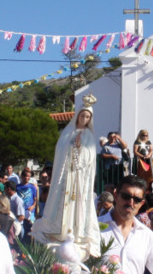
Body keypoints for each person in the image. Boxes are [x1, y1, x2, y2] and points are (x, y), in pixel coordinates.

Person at [31, 94, 102, 260]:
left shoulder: (89, 136)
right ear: (77, 115)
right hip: (66, 177)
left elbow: (90, 158)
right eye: (82, 115)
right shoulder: (67, 133)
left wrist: (80, 149)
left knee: (78, 204)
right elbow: (61, 153)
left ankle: (77, 232)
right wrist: (72, 148)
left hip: (79, 178)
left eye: (88, 117)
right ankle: (61, 230)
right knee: (63, 203)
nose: (84, 119)